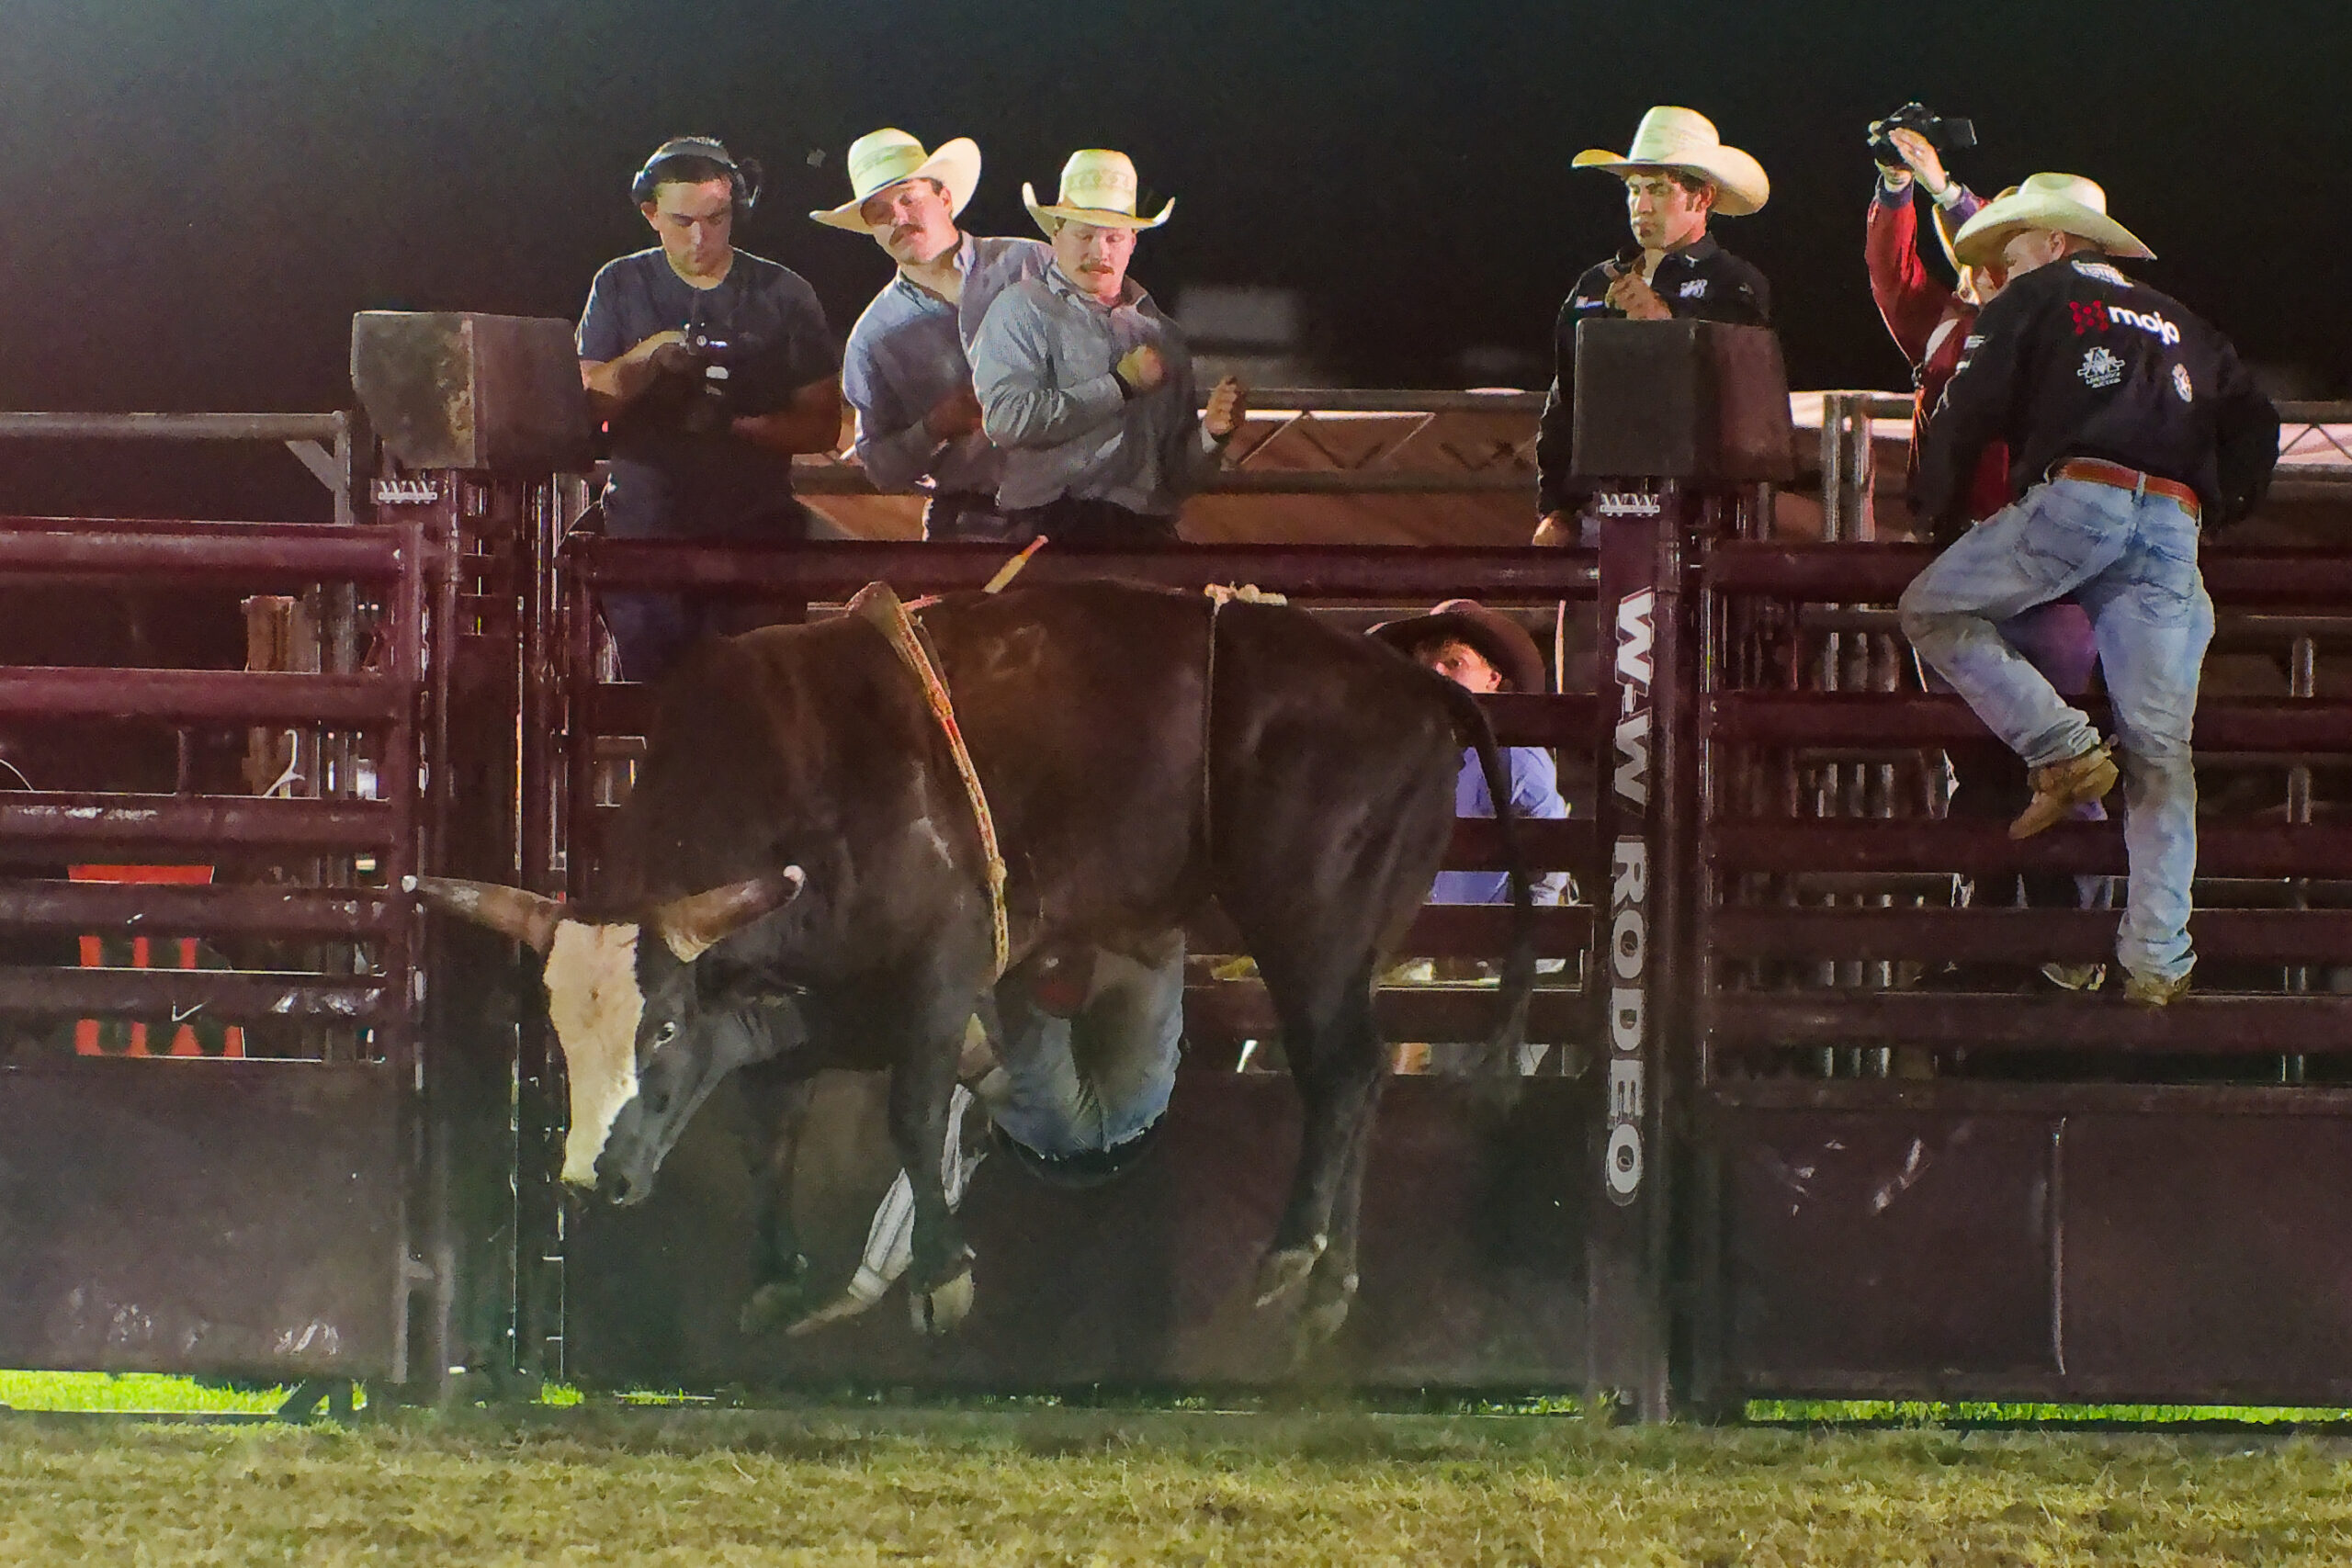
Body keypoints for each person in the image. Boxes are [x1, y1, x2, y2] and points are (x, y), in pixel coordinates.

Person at [1901, 175, 2280, 1005]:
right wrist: (2222, 506)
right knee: (2159, 749)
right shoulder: (2184, 319)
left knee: (1931, 606)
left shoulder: (2036, 299)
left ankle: (2062, 749)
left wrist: (1936, 512)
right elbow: (2256, 418)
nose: (2002, 264)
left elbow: (1967, 406)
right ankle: (2156, 959)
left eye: (2014, 246)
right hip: (2173, 520)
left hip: (2081, 494)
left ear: (2057, 244)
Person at [1869, 123, 2111, 992]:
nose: (1984, 259)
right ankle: (1994, 932)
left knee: (2052, 742)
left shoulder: (2071, 324)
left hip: (2044, 565)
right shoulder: (1958, 332)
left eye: (2001, 244)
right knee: (1981, 754)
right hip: (1975, 556)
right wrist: (1900, 190)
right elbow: (1898, 283)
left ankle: (2070, 933)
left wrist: (1943, 193)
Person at [787, 936, 1189, 1334]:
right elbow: (941, 1161)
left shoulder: (997, 1122)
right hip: (1054, 1135)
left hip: (1138, 1115)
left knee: (1155, 942)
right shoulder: (989, 1109)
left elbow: (944, 1168)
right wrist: (871, 1281)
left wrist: (872, 1282)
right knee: (1025, 966)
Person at [576, 137, 842, 680]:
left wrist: (737, 422)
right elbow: (587, 401)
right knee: (656, 707)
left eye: (716, 219)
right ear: (651, 214)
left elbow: (822, 425)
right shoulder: (620, 285)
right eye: (682, 221)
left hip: (755, 538)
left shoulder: (785, 293)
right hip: (646, 536)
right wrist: (649, 358)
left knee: (761, 707)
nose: (700, 237)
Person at [969, 150, 1247, 546]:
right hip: (1050, 529)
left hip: (1145, 534)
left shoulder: (1163, 333)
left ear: (1132, 243)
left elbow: (1177, 477)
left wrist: (1211, 436)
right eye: (1084, 235)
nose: (1099, 252)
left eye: (1113, 237)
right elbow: (1006, 421)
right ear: (1056, 234)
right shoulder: (1021, 308)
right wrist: (1120, 385)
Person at [1534, 108, 1771, 547]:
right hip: (1597, 511)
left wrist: (1667, 324)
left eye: (1659, 190)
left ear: (1702, 198)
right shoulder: (1594, 283)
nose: (1641, 206)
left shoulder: (1733, 283)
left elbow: (1743, 394)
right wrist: (1556, 508)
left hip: (1697, 518)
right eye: (1634, 189)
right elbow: (1565, 399)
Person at [814, 130, 1054, 541]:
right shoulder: (873, 337)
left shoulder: (1033, 264)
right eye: (879, 211)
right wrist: (935, 426)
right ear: (869, 227)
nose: (899, 218)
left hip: (1075, 515)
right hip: (968, 526)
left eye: (909, 198)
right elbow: (879, 466)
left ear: (944, 198)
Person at [1370, 601, 1569, 908]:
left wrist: (1518, 944)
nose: (1436, 671)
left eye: (1454, 662)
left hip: (1486, 941)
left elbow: (1550, 860)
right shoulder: (1413, 755)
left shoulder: (1514, 756)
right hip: (1437, 939)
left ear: (1493, 679)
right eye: (1427, 661)